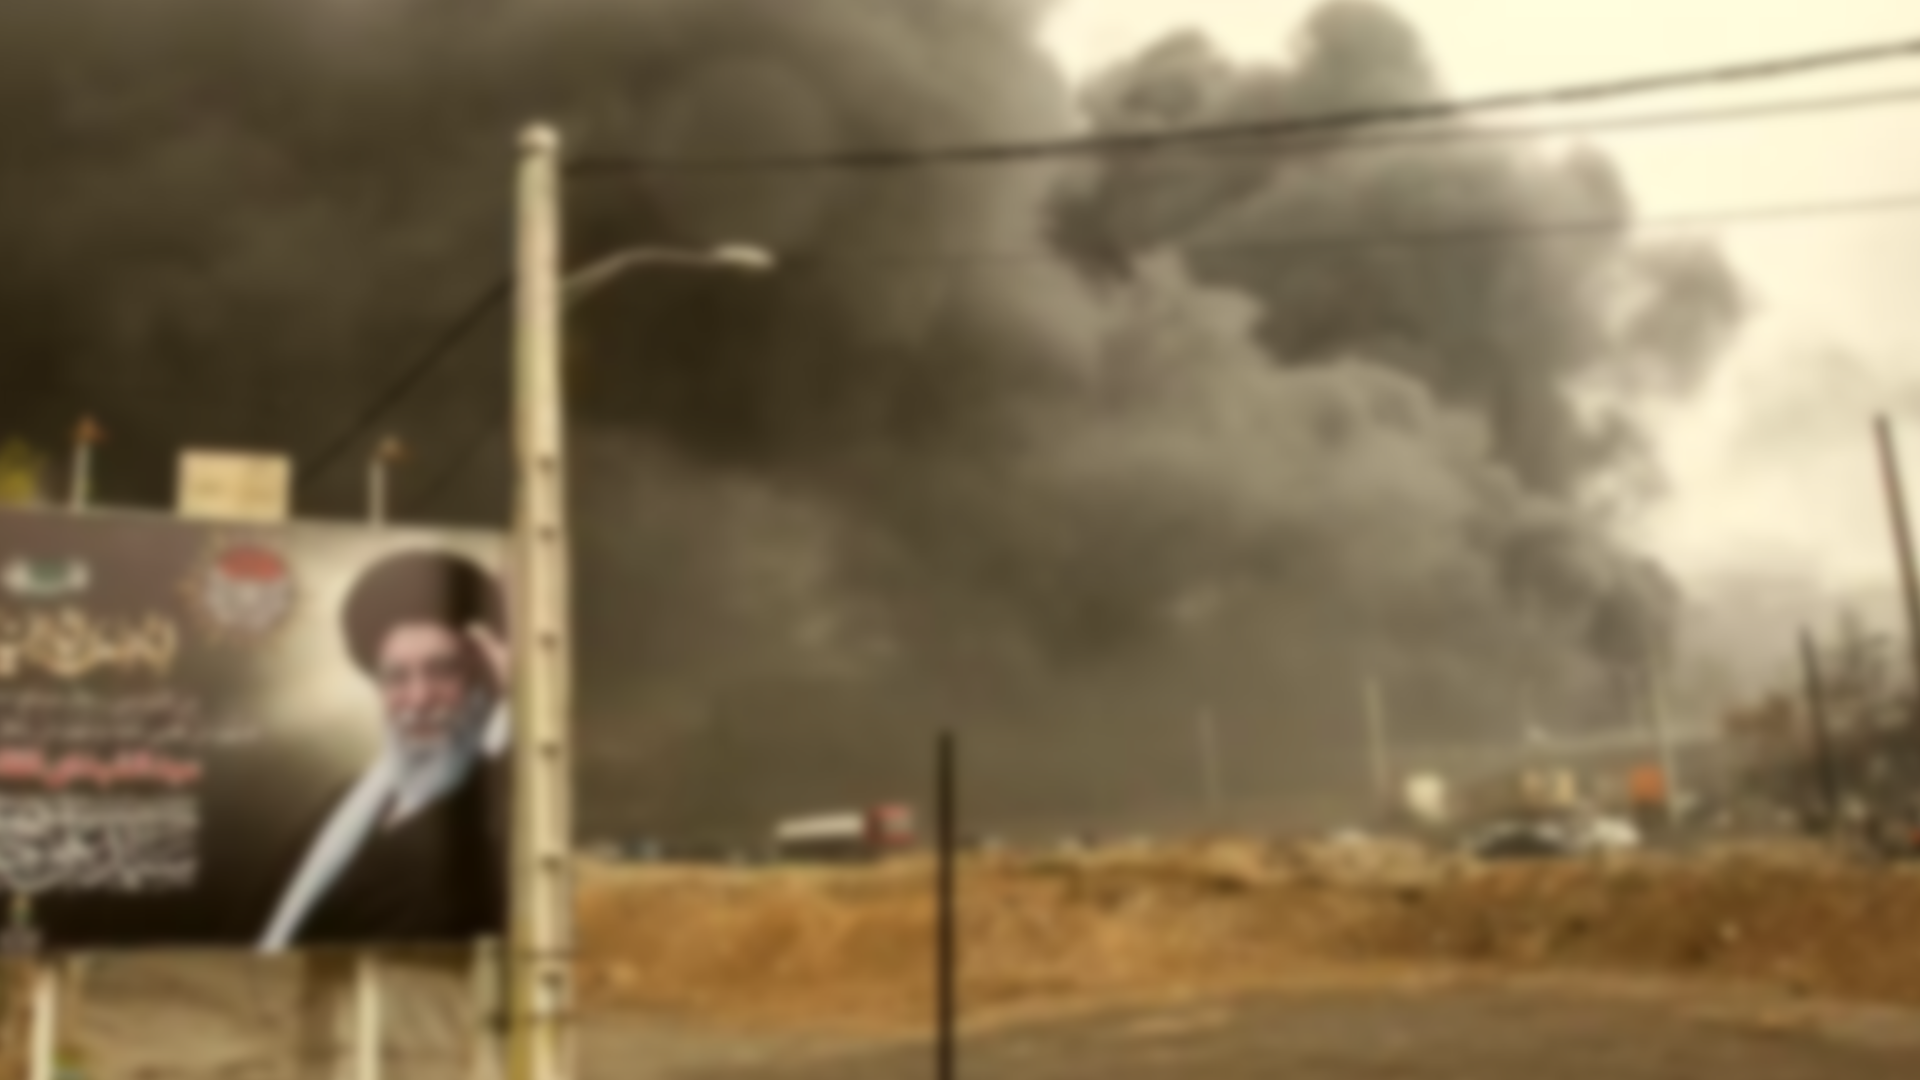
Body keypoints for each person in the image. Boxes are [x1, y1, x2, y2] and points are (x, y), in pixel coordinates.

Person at [256, 550, 511, 952]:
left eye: (443, 671)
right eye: (396, 677)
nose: (419, 698)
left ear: (482, 679)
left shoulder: (497, 810)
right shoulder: (341, 804)